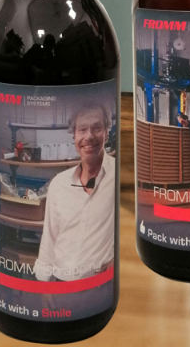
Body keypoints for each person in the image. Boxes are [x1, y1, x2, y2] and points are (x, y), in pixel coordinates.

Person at [33, 105, 116, 283]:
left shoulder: (117, 176)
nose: (89, 136)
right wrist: (45, 287)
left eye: (97, 128)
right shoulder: (58, 184)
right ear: (74, 136)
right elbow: (49, 241)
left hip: (99, 285)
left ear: (107, 133)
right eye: (82, 130)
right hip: (58, 282)